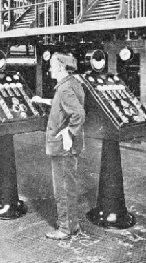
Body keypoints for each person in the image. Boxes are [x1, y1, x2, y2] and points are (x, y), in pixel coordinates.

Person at [32, 52, 85, 240]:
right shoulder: (72, 83)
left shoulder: (64, 89)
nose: (49, 69)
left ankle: (64, 229)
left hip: (63, 147)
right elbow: (63, 105)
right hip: (70, 147)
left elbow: (78, 114)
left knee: (62, 189)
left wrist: (69, 131)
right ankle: (73, 225)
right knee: (68, 185)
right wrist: (43, 101)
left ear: (61, 67)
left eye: (52, 66)